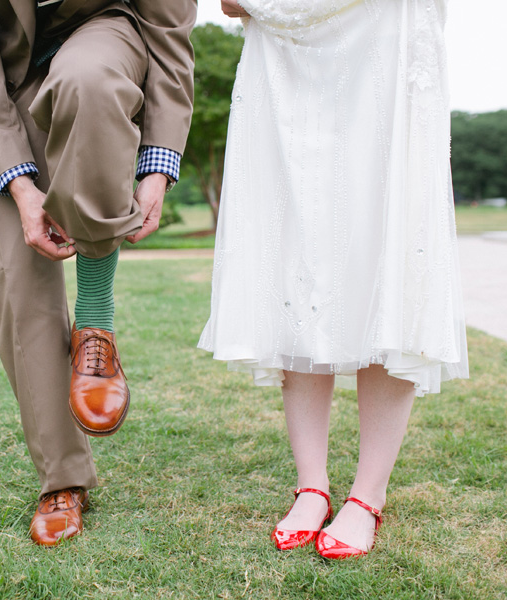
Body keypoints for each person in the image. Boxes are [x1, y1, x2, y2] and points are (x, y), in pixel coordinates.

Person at [0, 0, 195, 546]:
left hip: (106, 38)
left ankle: (96, 318)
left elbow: (169, 32)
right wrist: (20, 185)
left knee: (86, 77)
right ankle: (62, 480)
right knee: (13, 286)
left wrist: (159, 160)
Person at [199, 0, 468, 558]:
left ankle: (368, 494)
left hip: (382, 43)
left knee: (382, 248)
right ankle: (312, 485)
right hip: (288, 55)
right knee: (299, 252)